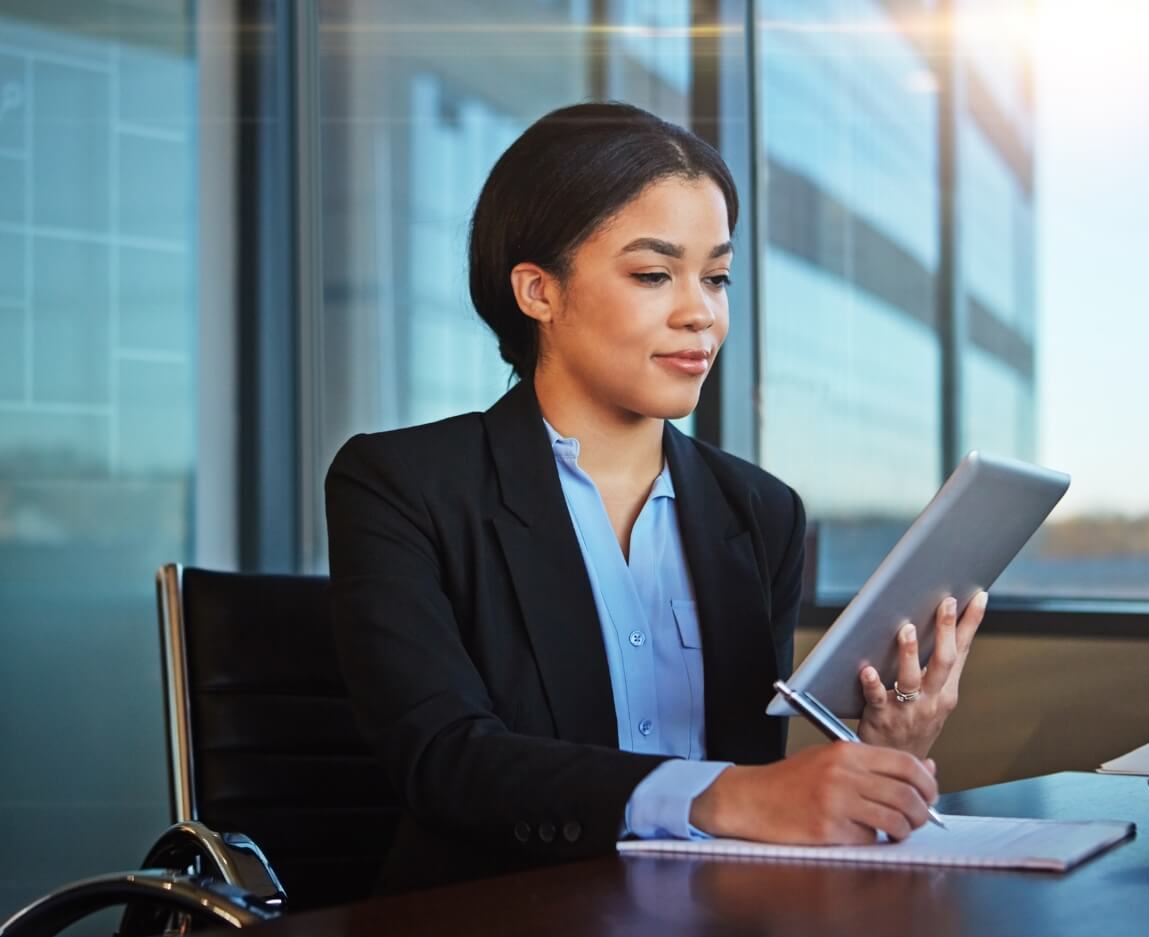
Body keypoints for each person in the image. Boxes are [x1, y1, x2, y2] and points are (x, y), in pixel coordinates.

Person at [325, 101, 987, 893]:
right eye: (652, 274)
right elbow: (444, 759)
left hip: (716, 921)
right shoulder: (401, 485)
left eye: (716, 277)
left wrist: (886, 754)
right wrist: (724, 794)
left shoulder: (761, 512)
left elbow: (752, 788)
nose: (700, 312)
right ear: (538, 291)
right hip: (497, 919)